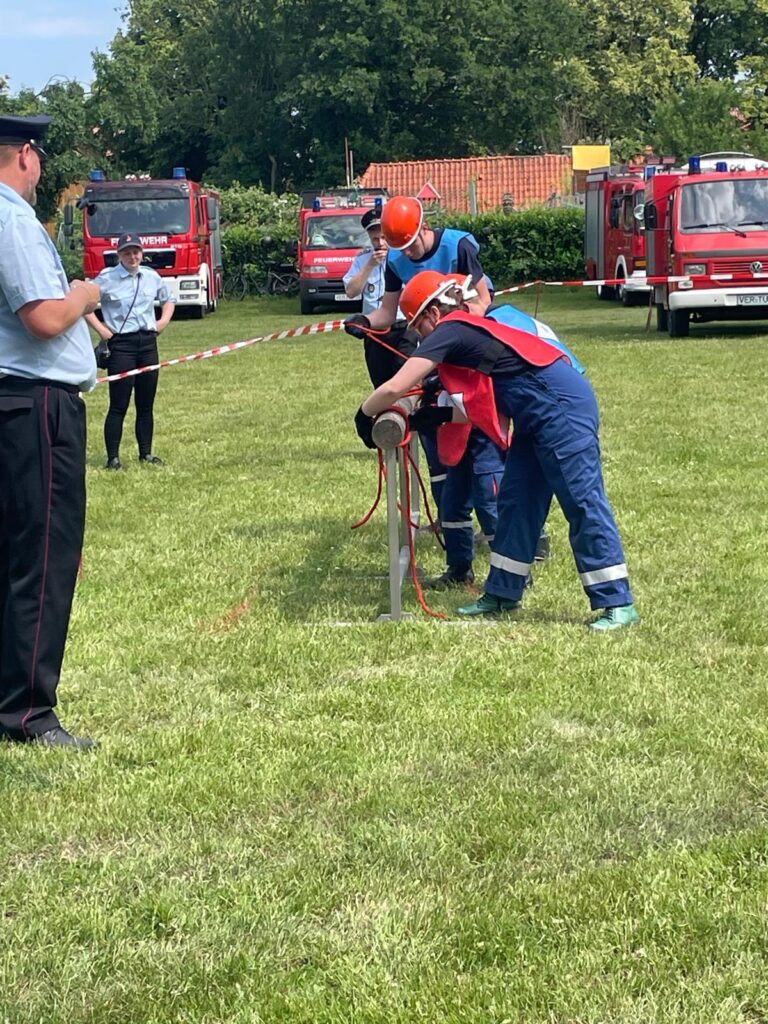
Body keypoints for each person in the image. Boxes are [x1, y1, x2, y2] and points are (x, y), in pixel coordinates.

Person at [354, 272, 640, 631]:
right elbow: (483, 404)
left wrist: (363, 414)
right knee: (516, 500)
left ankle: (618, 601)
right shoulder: (467, 332)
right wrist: (433, 415)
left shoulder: (451, 330)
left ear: (432, 314)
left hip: (562, 408)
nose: (421, 339)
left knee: (580, 499)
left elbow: (395, 386)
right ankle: (503, 593)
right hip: (537, 413)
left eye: (418, 328)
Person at [0, 114, 102, 748]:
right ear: (26, 156)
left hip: (14, 402)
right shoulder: (13, 220)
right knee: (42, 557)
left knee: (14, 553)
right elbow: (42, 319)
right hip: (37, 404)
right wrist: (84, 296)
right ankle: (29, 715)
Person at [86, 232, 175, 469]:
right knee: (119, 404)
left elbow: (169, 299)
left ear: (142, 253)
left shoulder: (151, 276)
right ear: (119, 255)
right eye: (127, 252)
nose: (132, 256)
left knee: (146, 404)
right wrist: (102, 330)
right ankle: (113, 458)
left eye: (135, 252)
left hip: (147, 344)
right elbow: (83, 304)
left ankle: (146, 453)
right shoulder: (107, 278)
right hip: (121, 346)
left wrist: (163, 322)